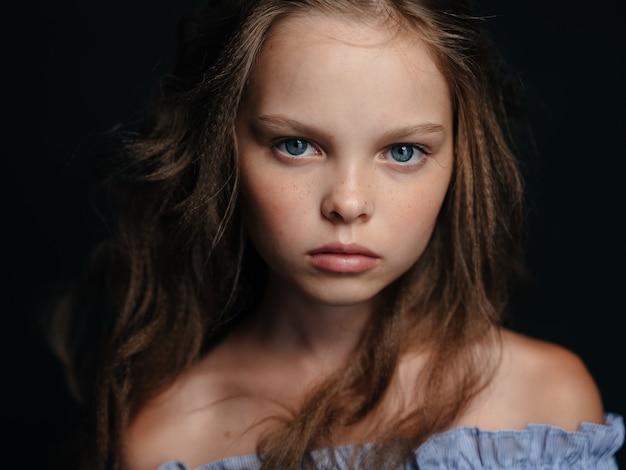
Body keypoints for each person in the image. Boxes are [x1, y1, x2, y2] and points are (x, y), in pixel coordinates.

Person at [50, 0, 624, 469]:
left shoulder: (542, 403)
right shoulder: (166, 442)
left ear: (459, 162)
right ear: (225, 152)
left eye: (403, 152)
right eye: (295, 145)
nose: (348, 203)